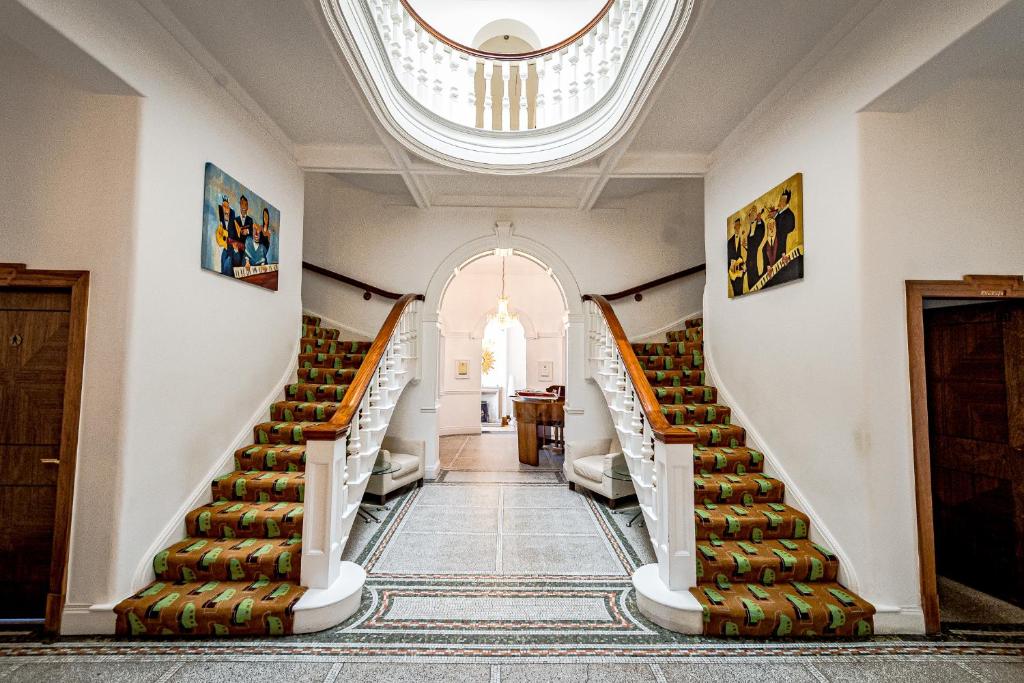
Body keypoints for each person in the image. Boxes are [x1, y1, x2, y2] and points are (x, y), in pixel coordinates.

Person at [745, 205, 766, 291]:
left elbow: (759, 236)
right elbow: (750, 246)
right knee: (750, 280)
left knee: (756, 279)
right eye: (751, 215)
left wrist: (760, 221)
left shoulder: (758, 225)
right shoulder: (749, 228)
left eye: (754, 215)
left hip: (756, 258)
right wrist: (745, 246)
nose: (752, 217)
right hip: (749, 259)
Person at [727, 217, 746, 297]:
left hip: (741, 269)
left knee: (741, 292)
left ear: (740, 226)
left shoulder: (744, 238)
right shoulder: (730, 241)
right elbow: (728, 257)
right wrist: (729, 271)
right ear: (734, 227)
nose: (737, 227)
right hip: (733, 271)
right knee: (735, 292)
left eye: (739, 225)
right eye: (736, 225)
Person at [774, 188, 797, 254]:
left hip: (782, 241)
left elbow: (791, 227)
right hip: (775, 240)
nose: (780, 202)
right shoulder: (779, 213)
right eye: (780, 200)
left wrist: (782, 231)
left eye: (782, 200)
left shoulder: (789, 214)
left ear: (786, 202)